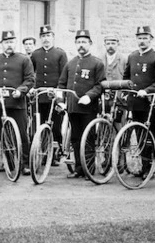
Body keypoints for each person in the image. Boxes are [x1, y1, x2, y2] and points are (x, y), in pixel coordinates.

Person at [0, 30, 34, 175]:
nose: (9, 45)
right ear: (1, 44)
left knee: (22, 134)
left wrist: (20, 90)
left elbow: (30, 80)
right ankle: (8, 162)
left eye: (11, 42)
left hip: (17, 103)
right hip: (0, 104)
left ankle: (26, 164)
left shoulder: (24, 60)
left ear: (15, 43)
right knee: (4, 133)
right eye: (6, 42)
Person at [58, 29, 106, 179]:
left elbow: (100, 85)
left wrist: (89, 96)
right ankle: (79, 168)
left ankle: (89, 170)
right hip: (72, 107)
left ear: (90, 44)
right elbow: (61, 84)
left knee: (89, 138)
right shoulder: (70, 63)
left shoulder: (97, 63)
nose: (81, 45)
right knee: (76, 138)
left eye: (84, 42)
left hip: (88, 108)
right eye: (78, 42)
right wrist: (60, 100)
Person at [123, 26, 155, 178]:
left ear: (151, 39)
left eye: (145, 38)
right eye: (139, 38)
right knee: (139, 134)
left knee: (150, 135)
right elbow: (127, 77)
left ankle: (151, 167)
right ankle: (143, 165)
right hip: (135, 103)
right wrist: (125, 91)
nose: (142, 41)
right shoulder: (132, 56)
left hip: (150, 103)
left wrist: (147, 91)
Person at [30, 25, 67, 164]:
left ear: (53, 37)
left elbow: (64, 76)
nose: (46, 39)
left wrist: (59, 93)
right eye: (43, 36)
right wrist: (33, 88)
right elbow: (31, 73)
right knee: (41, 125)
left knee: (55, 125)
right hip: (40, 96)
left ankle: (56, 152)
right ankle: (44, 152)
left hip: (55, 96)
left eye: (48, 36)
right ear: (40, 38)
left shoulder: (60, 54)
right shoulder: (35, 54)